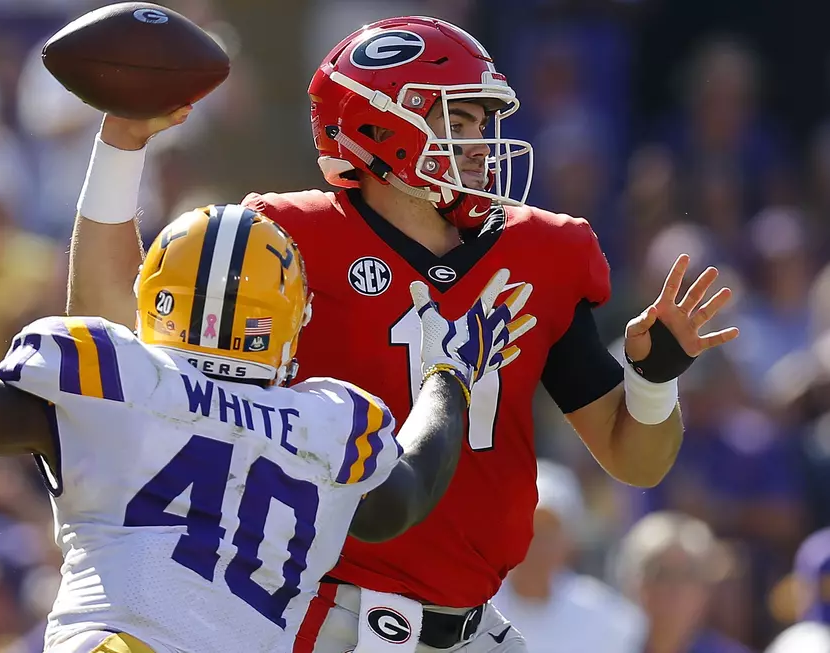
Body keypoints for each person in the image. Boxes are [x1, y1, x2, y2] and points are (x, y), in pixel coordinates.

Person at [64, 15, 740, 652]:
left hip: (473, 622)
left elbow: (634, 459)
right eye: (459, 120)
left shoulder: (541, 254)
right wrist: (122, 145)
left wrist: (654, 381)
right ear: (380, 125)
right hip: (318, 617)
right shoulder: (288, 237)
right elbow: (117, 324)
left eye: (482, 122)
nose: (480, 144)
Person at [0, 204, 533, 653]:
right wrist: (449, 376)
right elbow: (405, 497)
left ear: (157, 297)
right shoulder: (330, 420)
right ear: (288, 321)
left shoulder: (110, 375)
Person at [492, 459, 647, 653]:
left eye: (548, 532)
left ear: (569, 541)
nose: (535, 543)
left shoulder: (607, 619)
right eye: (526, 527)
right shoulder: (470, 610)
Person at [616, 512, 753, 653]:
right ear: (633, 583)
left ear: (705, 593)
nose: (673, 590)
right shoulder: (603, 644)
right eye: (661, 575)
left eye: (687, 575)